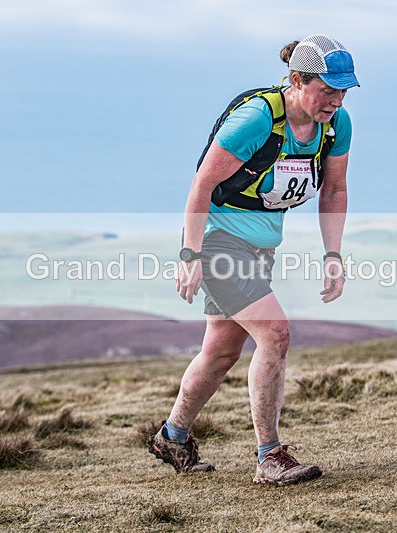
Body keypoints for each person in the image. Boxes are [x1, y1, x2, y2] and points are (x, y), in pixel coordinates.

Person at [147, 34, 359, 486]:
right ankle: (270, 456)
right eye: (327, 90)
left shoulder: (337, 125)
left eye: (343, 91)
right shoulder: (257, 118)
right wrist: (190, 253)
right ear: (298, 80)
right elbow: (201, 185)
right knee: (276, 334)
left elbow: (335, 189)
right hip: (220, 240)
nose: (336, 101)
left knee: (221, 349)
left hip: (262, 246)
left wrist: (334, 255)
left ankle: (172, 435)